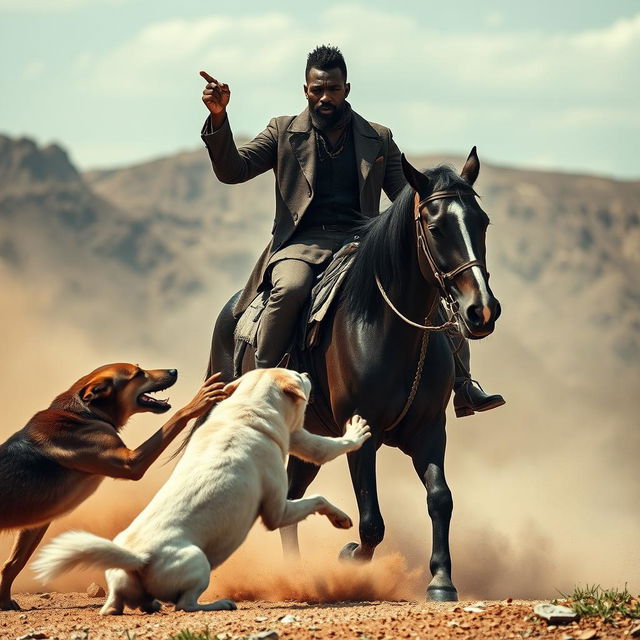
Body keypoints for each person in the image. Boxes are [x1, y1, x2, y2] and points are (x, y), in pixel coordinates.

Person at [199, 45, 504, 416]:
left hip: (361, 245)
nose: (325, 97)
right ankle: (263, 388)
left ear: (347, 88)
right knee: (291, 288)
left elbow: (405, 196)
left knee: (432, 287)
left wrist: (441, 203)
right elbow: (233, 170)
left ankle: (463, 383)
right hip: (300, 245)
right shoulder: (282, 132)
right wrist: (219, 118)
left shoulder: (378, 137)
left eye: (333, 89)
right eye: (317, 90)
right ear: (305, 90)